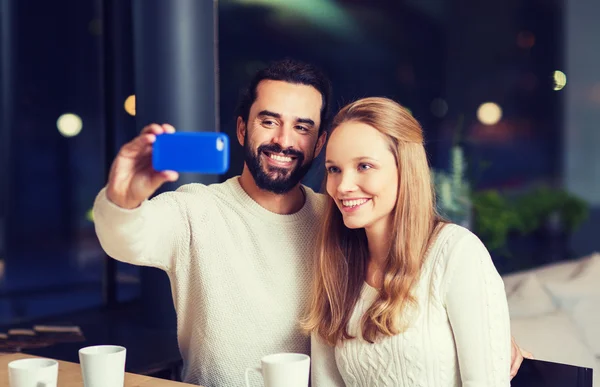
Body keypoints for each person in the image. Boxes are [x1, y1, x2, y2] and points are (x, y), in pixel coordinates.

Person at [92, 59, 527, 387]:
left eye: (301, 127)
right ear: (242, 129)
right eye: (269, 121)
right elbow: (126, 237)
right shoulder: (197, 211)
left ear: (319, 143)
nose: (283, 140)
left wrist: (486, 335)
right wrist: (124, 195)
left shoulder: (338, 222)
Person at [304, 97, 516, 386]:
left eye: (364, 166)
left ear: (405, 170)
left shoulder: (457, 253)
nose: (342, 186)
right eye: (334, 169)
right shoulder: (336, 265)